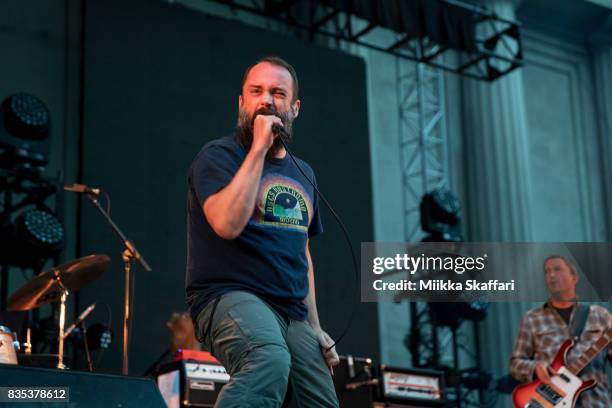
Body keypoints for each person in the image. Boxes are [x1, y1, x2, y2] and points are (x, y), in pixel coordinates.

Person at [185, 56, 340, 408]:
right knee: (268, 359)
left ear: (295, 108)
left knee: (321, 400)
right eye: (256, 91)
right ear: (242, 102)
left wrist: (315, 328)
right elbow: (226, 224)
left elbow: (302, 254)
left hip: (291, 311)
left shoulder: (304, 173)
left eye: (278, 93)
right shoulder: (217, 156)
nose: (266, 100)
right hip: (227, 295)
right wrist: (258, 149)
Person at [509, 255, 612, 407]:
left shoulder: (600, 315)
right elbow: (515, 364)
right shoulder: (532, 319)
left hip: (595, 402)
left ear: (574, 277)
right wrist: (536, 368)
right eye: (547, 271)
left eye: (557, 269)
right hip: (549, 400)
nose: (551, 275)